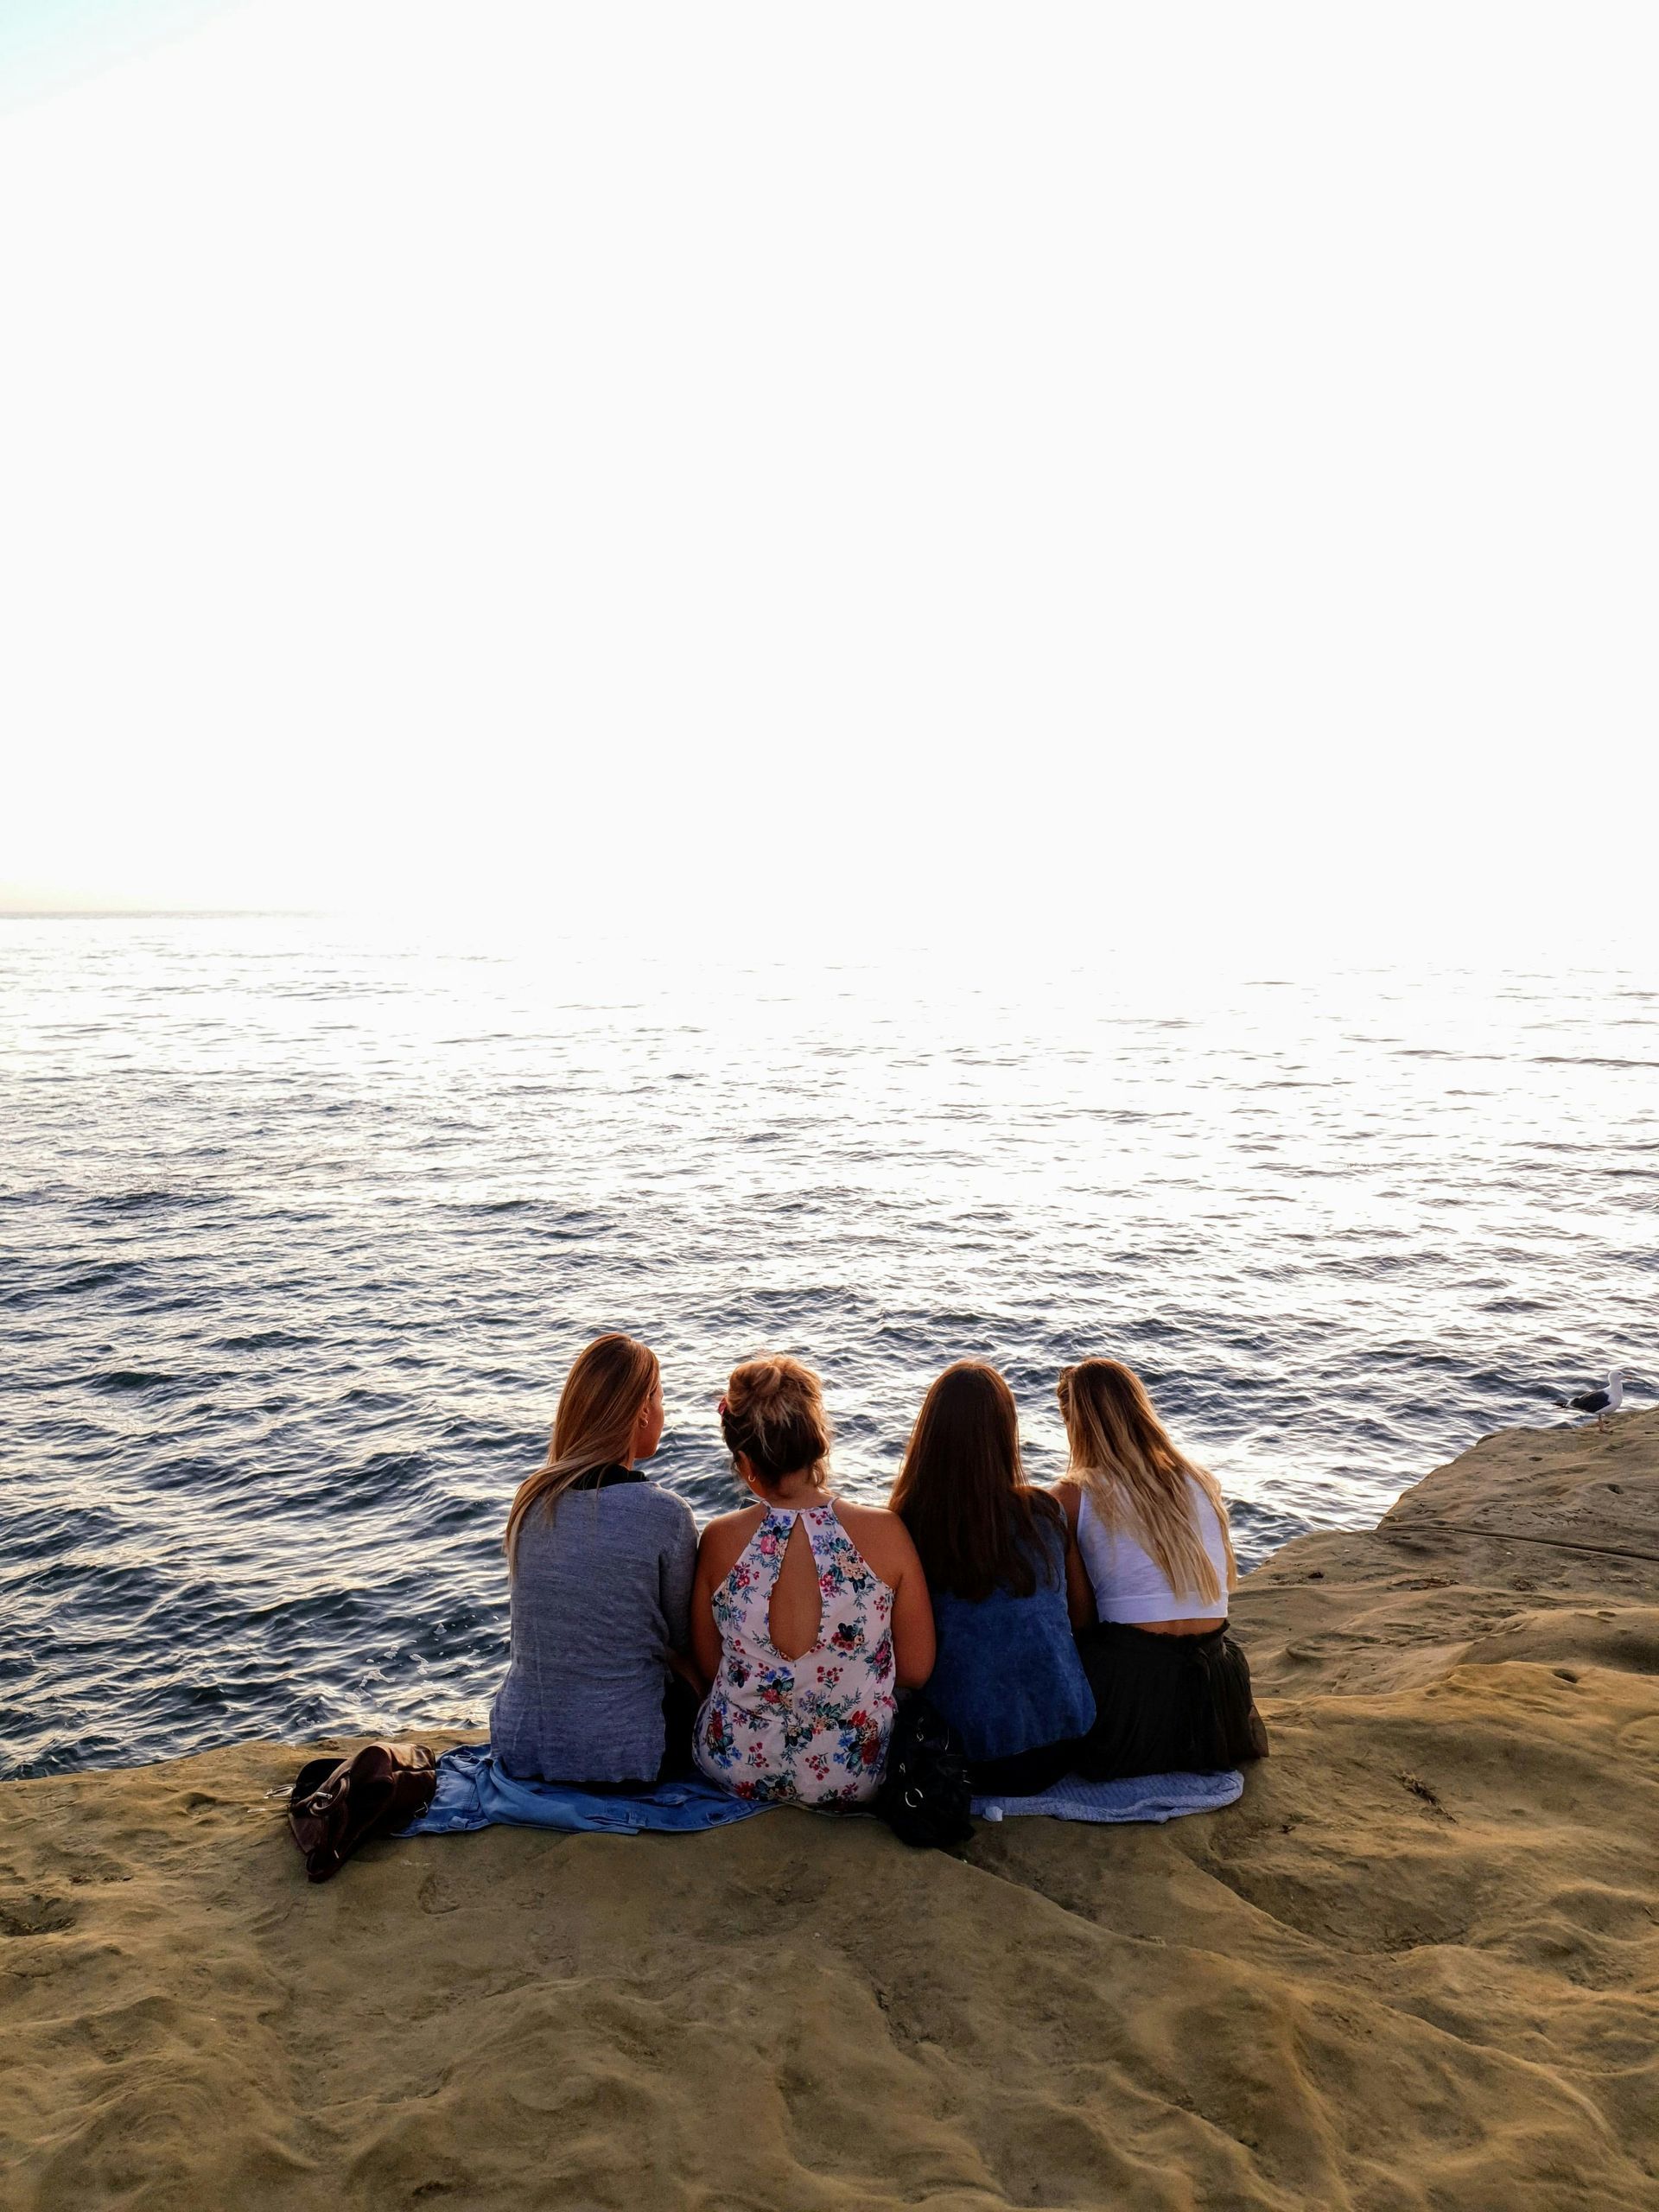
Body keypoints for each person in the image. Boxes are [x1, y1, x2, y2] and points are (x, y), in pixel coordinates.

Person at [691, 1355, 935, 1806]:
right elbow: (917, 1670)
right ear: (816, 1442)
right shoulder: (885, 1532)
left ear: (745, 1461)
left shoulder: (720, 1539)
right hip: (855, 1773)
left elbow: (711, 1668)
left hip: (737, 1764)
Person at [490, 1332, 702, 1787]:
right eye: (661, 1396)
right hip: (627, 1755)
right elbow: (685, 1640)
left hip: (520, 1743)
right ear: (643, 1410)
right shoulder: (665, 1514)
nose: (664, 1412)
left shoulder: (531, 1500)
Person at [1052, 1358, 1268, 1779]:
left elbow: (1080, 1619)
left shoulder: (1072, 1496)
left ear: (1075, 1423)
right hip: (1217, 1694)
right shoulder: (1200, 1480)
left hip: (1132, 1703)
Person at [888, 1362, 1096, 1795]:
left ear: (929, 1436)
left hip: (961, 1756)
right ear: (1006, 1433)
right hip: (1063, 1745)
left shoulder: (906, 1524)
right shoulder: (1045, 1512)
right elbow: (1080, 1619)